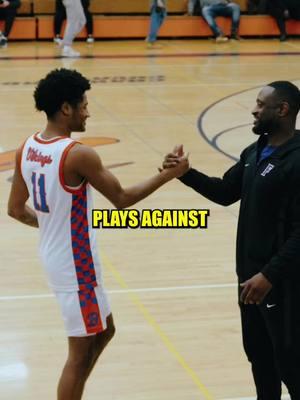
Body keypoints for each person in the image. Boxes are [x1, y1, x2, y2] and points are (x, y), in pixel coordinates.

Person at [7, 68, 189, 400]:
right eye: (84, 105)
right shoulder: (78, 154)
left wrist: (50, 226)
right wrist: (169, 175)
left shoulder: (27, 147)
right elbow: (122, 200)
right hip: (76, 265)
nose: (88, 112)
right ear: (66, 109)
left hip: (60, 258)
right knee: (78, 357)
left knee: (105, 330)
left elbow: (16, 209)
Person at [163, 81, 300, 399]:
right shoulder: (255, 151)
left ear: (282, 110)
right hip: (249, 282)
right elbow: (226, 192)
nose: (253, 109)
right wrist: (186, 173)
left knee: (291, 367)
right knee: (261, 363)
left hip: (283, 285)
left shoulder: (296, 160)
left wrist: (269, 275)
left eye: (260, 104)